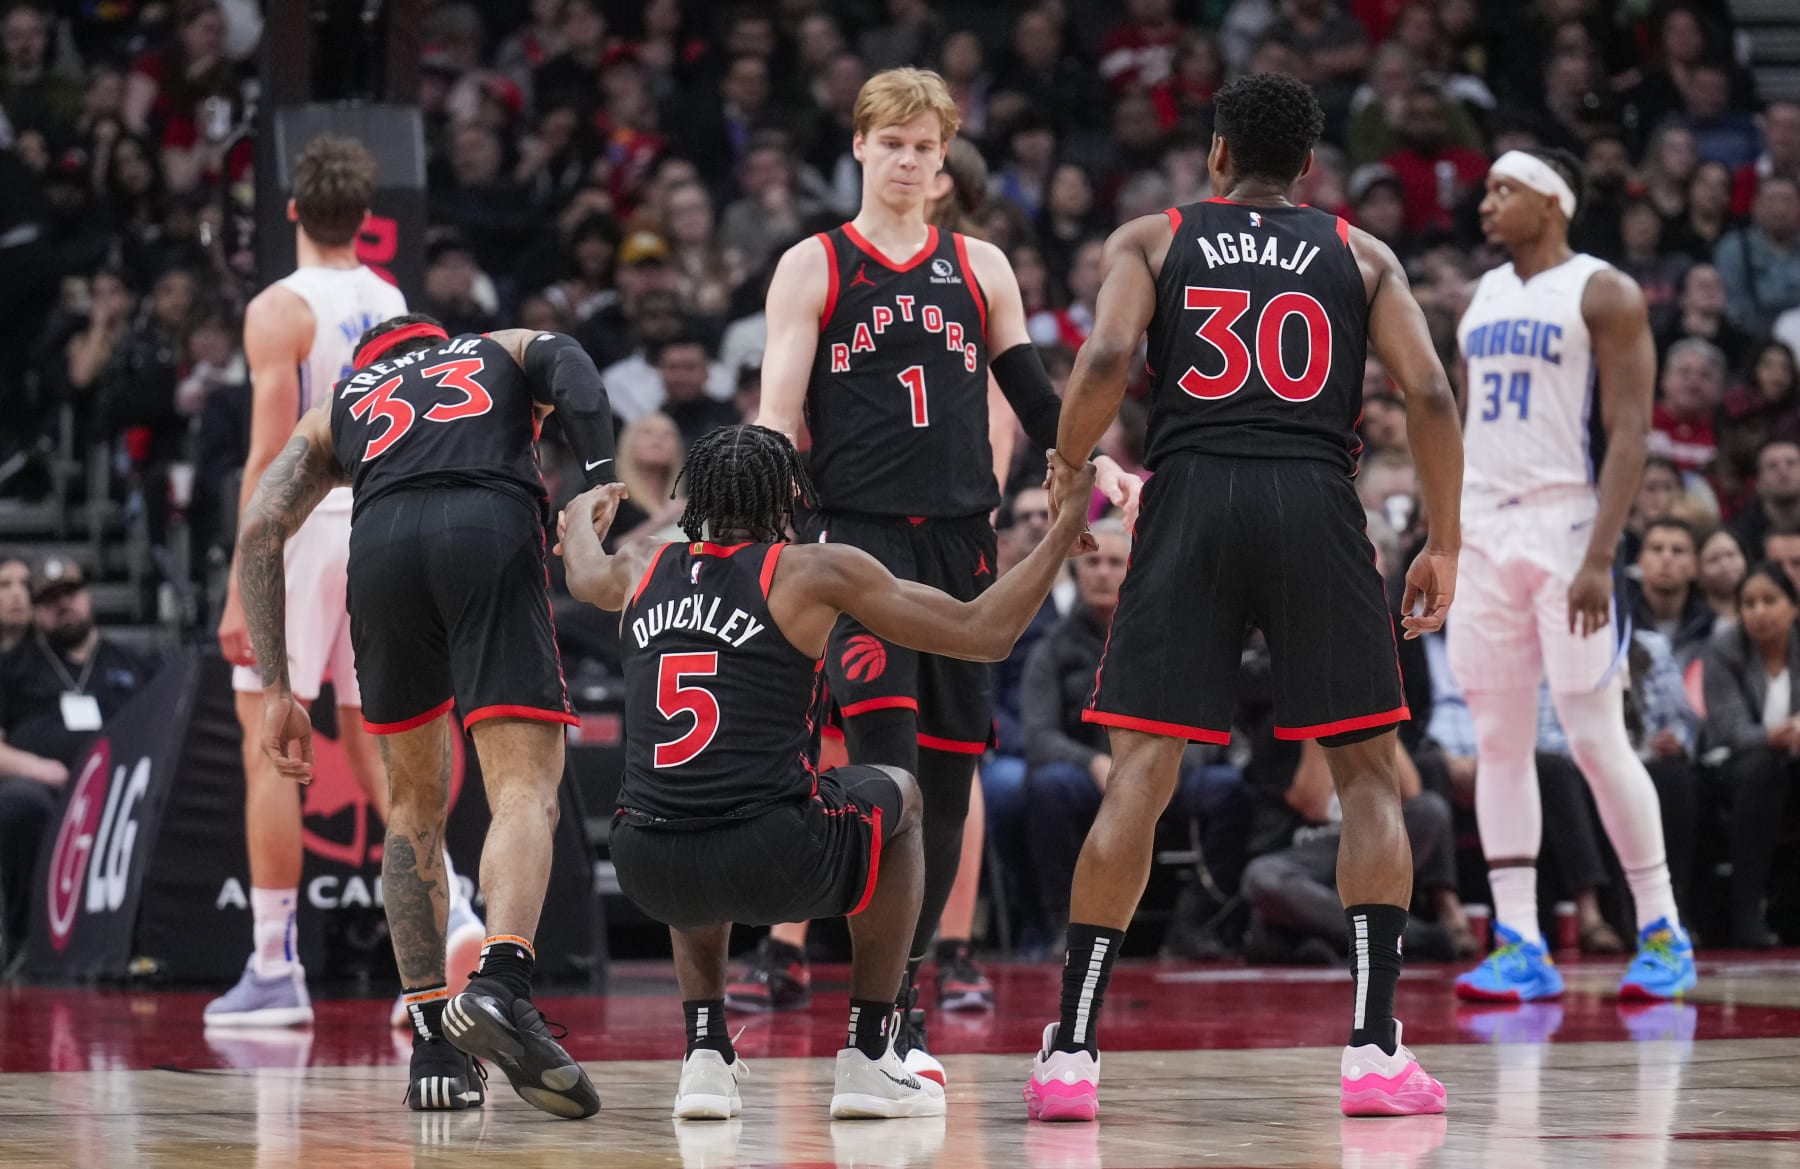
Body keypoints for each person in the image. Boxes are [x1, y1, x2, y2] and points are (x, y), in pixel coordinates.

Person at [1022, 72, 1463, 1121]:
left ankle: (1074, 1053)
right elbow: (1433, 392)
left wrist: (1069, 459)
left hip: (1193, 493)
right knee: (1366, 776)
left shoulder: (1153, 235)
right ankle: (1372, 1049)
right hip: (1317, 497)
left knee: (1142, 772)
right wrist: (1444, 539)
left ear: (1216, 154)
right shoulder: (1362, 252)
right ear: (1310, 167)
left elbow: (1111, 354)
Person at [743, 67, 1140, 1081]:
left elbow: (1042, 407)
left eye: (928, 144)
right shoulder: (813, 264)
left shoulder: (983, 267)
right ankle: (882, 1014)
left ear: (945, 158)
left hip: (964, 547)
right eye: (894, 142)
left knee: (953, 779)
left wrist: (1101, 470)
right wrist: (750, 514)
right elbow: (776, 415)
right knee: (888, 773)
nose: (912, 159)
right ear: (861, 147)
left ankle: (905, 990)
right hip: (857, 543)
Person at [558, 425, 1095, 1120]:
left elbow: (580, 570)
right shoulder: (812, 570)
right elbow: (983, 630)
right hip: (772, 853)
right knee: (900, 792)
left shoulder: (639, 564)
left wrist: (581, 510)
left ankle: (704, 1055)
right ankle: (870, 1051)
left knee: (685, 802)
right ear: (790, 494)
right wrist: (1060, 534)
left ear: (697, 498)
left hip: (644, 862)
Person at [233, 314, 619, 1116]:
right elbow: (572, 364)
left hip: (379, 550)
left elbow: (262, 528)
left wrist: (278, 689)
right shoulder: (496, 348)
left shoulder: (341, 400)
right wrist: (597, 474)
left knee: (411, 807)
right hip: (486, 526)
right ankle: (502, 983)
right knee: (522, 785)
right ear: (436, 342)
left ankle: (432, 1045)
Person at [204, 137, 491, 1032]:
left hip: (301, 528)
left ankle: (273, 964)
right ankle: (459, 919)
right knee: (391, 746)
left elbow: (271, 453)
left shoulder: (277, 309)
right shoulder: (394, 301)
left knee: (269, 750)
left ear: (290, 211)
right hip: (384, 525)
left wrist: (235, 581)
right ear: (369, 222)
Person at [1448, 146, 1697, 1007]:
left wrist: (1601, 553)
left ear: (1551, 201)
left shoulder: (1604, 290)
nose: (1487, 203)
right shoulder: (1481, 296)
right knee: (1498, 742)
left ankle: (1662, 926)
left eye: (1504, 189)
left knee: (1594, 736)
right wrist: (1448, 536)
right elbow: (1465, 422)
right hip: (1484, 526)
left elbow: (1631, 431)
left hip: (1567, 523)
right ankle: (1518, 938)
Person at [0, 558, 158, 956]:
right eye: (49, 599)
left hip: (124, 792)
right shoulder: (12, 669)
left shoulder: (131, 663)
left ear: (87, 597)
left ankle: (142, 943)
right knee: (19, 804)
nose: (63, 604)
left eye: (70, 593)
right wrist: (38, 769)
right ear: (36, 612)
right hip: (47, 793)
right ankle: (28, 943)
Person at [1700, 562, 1800, 948]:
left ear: (1793, 607)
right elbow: (1730, 729)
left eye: (1769, 601)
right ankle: (1746, 916)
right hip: (1735, 768)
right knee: (1762, 768)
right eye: (1749, 603)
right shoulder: (1724, 648)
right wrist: (1775, 735)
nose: (1758, 611)